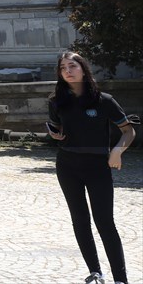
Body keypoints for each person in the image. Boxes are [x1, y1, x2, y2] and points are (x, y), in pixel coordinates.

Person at [48, 51, 136, 284]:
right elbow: (56, 128)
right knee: (80, 219)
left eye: (72, 66)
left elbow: (129, 131)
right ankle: (95, 272)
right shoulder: (56, 101)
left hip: (97, 166)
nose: (68, 70)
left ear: (83, 69)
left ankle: (121, 279)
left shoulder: (104, 101)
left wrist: (117, 150)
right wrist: (54, 134)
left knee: (105, 222)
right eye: (63, 67)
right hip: (67, 166)